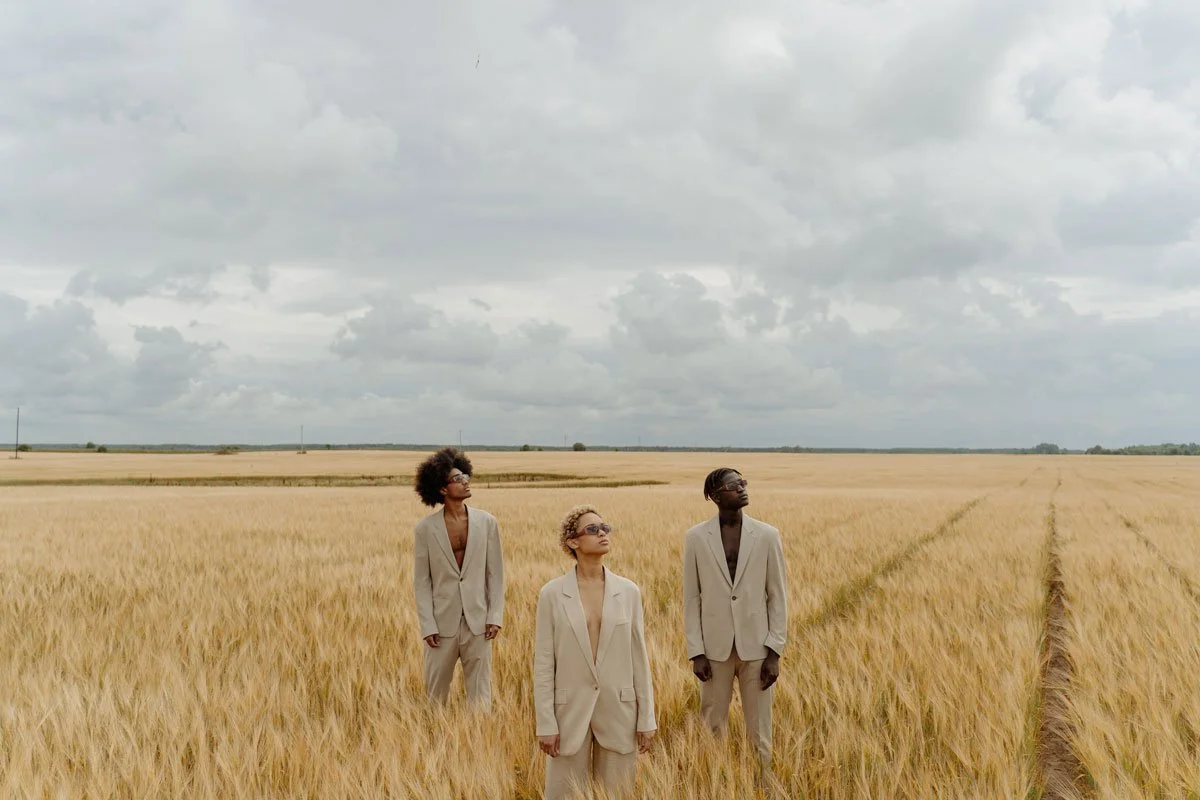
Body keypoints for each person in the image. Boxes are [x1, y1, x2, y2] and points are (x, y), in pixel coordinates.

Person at [534, 505, 657, 799]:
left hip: (620, 711)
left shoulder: (629, 592)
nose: (602, 533)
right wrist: (546, 722)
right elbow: (543, 662)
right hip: (568, 715)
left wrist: (647, 718)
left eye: (605, 528)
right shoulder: (551, 594)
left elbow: (640, 658)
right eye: (592, 529)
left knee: (618, 794)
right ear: (572, 542)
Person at [683, 468, 787, 780]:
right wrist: (696, 651)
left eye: (743, 482)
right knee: (712, 724)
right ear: (715, 496)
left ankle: (762, 785)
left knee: (760, 729)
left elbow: (777, 595)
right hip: (714, 650)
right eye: (733, 485)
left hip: (757, 648)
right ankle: (715, 783)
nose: (742, 488)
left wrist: (775, 650)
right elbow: (691, 597)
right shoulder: (696, 538)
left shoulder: (768, 535)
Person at [412, 447, 504, 710]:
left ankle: (478, 745)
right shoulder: (426, 529)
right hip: (441, 626)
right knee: (435, 698)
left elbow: (495, 573)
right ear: (442, 489)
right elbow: (422, 581)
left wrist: (495, 616)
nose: (465, 481)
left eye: (466, 475)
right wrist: (428, 625)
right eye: (457, 478)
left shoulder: (487, 522)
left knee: (481, 697)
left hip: (479, 622)